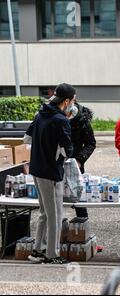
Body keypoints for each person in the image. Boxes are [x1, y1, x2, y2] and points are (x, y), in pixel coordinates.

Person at [26, 83, 75, 264]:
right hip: (51, 172)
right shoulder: (61, 120)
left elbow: (27, 138)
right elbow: (67, 151)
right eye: (73, 100)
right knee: (55, 214)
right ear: (67, 100)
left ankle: (37, 250)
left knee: (44, 213)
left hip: (37, 169)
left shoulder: (40, 114)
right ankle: (52, 254)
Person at [66, 100, 96, 218]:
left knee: (78, 197)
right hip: (55, 164)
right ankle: (58, 227)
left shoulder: (82, 119)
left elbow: (91, 143)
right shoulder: (56, 117)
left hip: (75, 164)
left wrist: (79, 160)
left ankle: (82, 225)